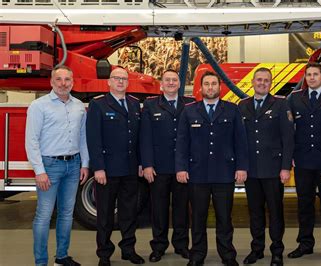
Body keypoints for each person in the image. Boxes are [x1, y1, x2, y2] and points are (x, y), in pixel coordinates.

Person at [175, 71, 249, 266]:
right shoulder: (189, 111)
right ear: (200, 88)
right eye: (206, 84)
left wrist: (241, 167)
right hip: (197, 174)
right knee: (197, 219)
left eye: (213, 84)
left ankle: (227, 255)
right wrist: (181, 168)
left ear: (220, 87)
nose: (210, 87)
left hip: (224, 174)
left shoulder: (232, 110)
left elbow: (240, 142)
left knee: (224, 219)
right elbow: (182, 143)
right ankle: (197, 255)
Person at [26, 65, 89, 266]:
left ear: (73, 82)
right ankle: (41, 262)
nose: (63, 83)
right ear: (51, 82)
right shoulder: (38, 106)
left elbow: (83, 138)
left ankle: (61, 257)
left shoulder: (79, 106)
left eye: (67, 80)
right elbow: (32, 140)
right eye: (59, 79)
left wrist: (85, 164)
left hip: (73, 165)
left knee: (67, 214)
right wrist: (39, 171)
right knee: (44, 216)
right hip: (49, 166)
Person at [86, 67, 145, 266]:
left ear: (128, 83)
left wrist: (141, 163)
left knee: (129, 212)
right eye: (116, 78)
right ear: (109, 82)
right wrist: (98, 168)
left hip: (130, 169)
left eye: (124, 79)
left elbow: (139, 138)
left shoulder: (135, 104)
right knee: (105, 214)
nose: (120, 82)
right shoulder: (98, 104)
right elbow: (93, 139)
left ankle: (128, 249)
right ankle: (104, 254)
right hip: (108, 170)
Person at [237, 67, 294, 266]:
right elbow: (239, 140)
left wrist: (285, 167)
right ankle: (257, 249)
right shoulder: (242, 106)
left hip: (273, 170)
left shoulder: (281, 104)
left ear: (271, 84)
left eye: (266, 80)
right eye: (259, 80)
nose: (262, 83)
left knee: (275, 212)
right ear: (252, 82)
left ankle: (277, 251)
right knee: (255, 212)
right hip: (251, 171)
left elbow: (288, 139)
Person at [287, 63, 321, 262]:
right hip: (302, 161)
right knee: (304, 204)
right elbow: (289, 129)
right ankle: (305, 243)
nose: (311, 78)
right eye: (308, 74)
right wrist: (290, 155)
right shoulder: (294, 98)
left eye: (315, 74)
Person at [140, 69, 195, 262]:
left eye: (174, 80)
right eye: (167, 80)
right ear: (161, 84)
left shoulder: (190, 104)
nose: (171, 83)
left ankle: (181, 245)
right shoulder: (150, 105)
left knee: (182, 209)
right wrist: (146, 164)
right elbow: (145, 137)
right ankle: (159, 246)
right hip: (159, 168)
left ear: (180, 84)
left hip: (183, 168)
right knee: (159, 210)